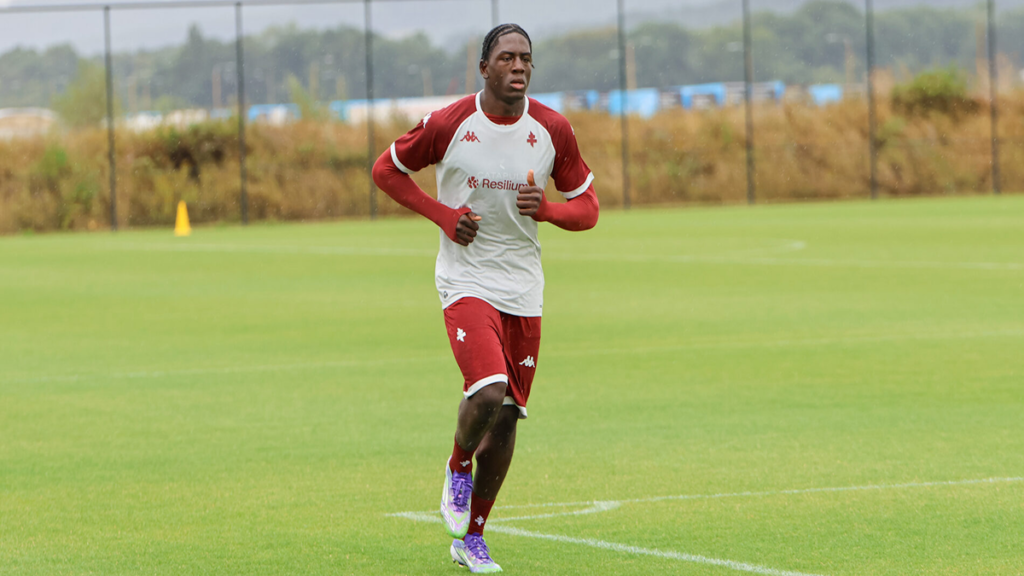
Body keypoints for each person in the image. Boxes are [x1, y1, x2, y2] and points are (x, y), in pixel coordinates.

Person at [372, 23, 600, 573]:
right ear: (484, 67)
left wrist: (546, 210)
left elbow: (588, 207)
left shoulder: (551, 128)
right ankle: (457, 466)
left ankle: (472, 538)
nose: (518, 67)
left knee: (508, 417)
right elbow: (387, 170)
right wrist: (444, 217)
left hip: (524, 288)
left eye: (525, 59)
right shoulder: (452, 123)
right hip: (465, 280)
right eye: (506, 58)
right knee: (488, 389)